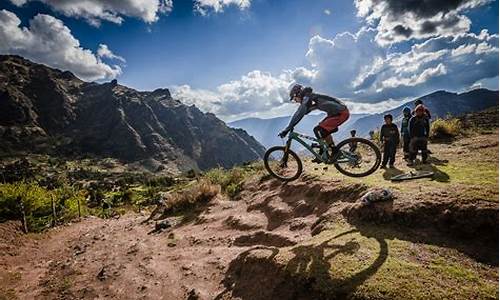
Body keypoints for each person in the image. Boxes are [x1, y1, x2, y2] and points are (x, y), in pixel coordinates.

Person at [279, 84, 350, 162]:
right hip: (337, 113)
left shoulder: (307, 98)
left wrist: (287, 129)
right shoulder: (310, 97)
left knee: (318, 130)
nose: (295, 101)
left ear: (298, 94)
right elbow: (306, 110)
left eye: (295, 99)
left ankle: (334, 152)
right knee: (322, 130)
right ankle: (324, 153)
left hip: (341, 113)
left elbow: (299, 113)